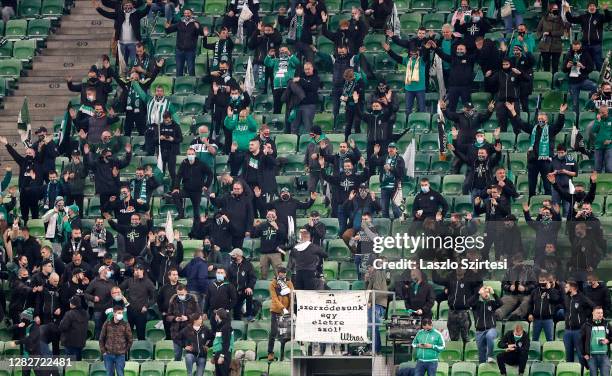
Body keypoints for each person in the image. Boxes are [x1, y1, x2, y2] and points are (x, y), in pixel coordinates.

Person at [507, 101, 567, 197]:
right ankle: (531, 203)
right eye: (539, 119)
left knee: (547, 185)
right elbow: (521, 124)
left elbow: (559, 125)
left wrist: (561, 113)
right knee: (532, 185)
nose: (540, 120)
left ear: (546, 120)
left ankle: (548, 204)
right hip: (533, 161)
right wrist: (513, 111)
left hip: (546, 161)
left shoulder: (551, 130)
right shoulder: (533, 129)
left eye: (542, 119)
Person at [94, 0, 151, 65]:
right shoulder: (118, 14)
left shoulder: (136, 13)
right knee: (121, 64)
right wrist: (98, 8)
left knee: (135, 63)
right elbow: (107, 14)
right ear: (123, 6)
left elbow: (144, 12)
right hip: (121, 44)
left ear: (133, 6)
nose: (128, 7)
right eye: (126, 6)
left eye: (129, 5)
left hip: (134, 44)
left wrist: (149, 5)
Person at [565, 2, 611, 71]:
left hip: (596, 45)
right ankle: (587, 78)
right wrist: (567, 11)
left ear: (596, 8)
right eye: (590, 6)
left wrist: (606, 10)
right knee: (586, 63)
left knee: (598, 63)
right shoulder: (583, 17)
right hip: (585, 45)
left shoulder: (600, 16)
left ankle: (600, 80)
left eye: (593, 6)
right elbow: (571, 19)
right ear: (587, 8)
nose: (592, 7)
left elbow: (609, 18)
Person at [382, 43, 427, 113]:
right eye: (411, 54)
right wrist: (389, 50)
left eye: (415, 54)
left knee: (422, 109)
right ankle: (407, 122)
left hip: (420, 89)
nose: (413, 55)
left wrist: (426, 49)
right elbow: (396, 58)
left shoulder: (422, 61)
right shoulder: (407, 60)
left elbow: (427, 55)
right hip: (409, 89)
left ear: (418, 53)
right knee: (408, 110)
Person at [171, 147, 213, 220]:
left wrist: (206, 185)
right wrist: (176, 187)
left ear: (195, 154)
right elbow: (179, 176)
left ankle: (197, 227)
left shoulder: (201, 164)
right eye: (189, 154)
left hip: (197, 191)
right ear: (186, 155)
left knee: (196, 213)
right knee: (175, 194)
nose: (190, 155)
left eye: (192, 154)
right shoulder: (184, 163)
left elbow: (210, 174)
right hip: (186, 190)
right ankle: (181, 213)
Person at [119, 263, 156, 340]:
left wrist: (147, 306)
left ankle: (141, 350)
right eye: (135, 270)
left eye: (139, 270)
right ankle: (127, 351)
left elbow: (154, 297)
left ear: (142, 271)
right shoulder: (129, 281)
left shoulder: (148, 282)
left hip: (141, 312)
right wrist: (122, 298)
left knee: (141, 335)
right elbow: (118, 289)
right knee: (127, 335)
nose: (137, 271)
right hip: (130, 311)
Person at [496, 253, 536, 320]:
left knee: (527, 301)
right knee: (506, 301)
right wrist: (509, 287)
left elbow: (534, 285)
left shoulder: (529, 271)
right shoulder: (509, 271)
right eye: (517, 261)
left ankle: (515, 316)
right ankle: (498, 315)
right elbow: (503, 284)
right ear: (513, 262)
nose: (519, 263)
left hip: (525, 294)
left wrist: (525, 288)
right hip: (512, 294)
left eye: (520, 261)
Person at [564, 280, 596, 362]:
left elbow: (593, 306)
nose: (565, 288)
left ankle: (582, 371)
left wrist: (588, 317)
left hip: (578, 331)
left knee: (581, 354)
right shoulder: (567, 297)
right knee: (568, 355)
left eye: (566, 287)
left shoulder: (581, 297)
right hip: (567, 331)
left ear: (572, 288)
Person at [469, 285, 502, 363]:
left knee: (489, 336)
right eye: (484, 292)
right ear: (481, 293)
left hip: (491, 329)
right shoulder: (477, 304)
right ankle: (482, 368)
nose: (486, 294)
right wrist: (477, 293)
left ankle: (490, 356)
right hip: (479, 331)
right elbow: (469, 303)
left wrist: (493, 293)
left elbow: (500, 303)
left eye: (488, 292)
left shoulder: (492, 303)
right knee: (481, 353)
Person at [167, 284, 200, 361]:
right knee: (177, 355)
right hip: (176, 333)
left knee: (190, 356)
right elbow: (168, 316)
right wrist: (175, 318)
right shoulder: (173, 300)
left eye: (182, 294)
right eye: (178, 294)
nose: (180, 295)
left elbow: (198, 314)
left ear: (186, 292)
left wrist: (188, 318)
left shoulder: (193, 300)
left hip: (190, 333)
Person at [251, 209, 286, 280]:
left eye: (272, 215)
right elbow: (253, 235)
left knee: (279, 275)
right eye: (268, 215)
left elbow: (283, 237)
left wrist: (276, 228)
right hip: (264, 253)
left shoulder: (280, 224)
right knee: (263, 275)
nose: (270, 216)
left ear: (275, 217)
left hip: (275, 253)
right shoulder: (262, 225)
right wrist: (254, 227)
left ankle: (281, 289)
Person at [164, 8, 201, 76]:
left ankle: (192, 84)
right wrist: (166, 27)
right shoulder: (180, 23)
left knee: (191, 69)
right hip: (179, 51)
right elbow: (169, 30)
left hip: (190, 51)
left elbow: (201, 33)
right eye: (185, 13)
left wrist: (198, 28)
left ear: (191, 14)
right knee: (179, 70)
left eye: (188, 13)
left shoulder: (196, 23)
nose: (186, 15)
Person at [267, 266, 293, 361]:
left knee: (284, 333)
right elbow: (274, 298)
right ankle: (270, 352)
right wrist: (282, 308)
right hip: (276, 310)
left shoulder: (289, 283)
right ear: (278, 273)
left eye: (284, 273)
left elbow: (292, 296)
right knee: (273, 332)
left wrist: (289, 310)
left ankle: (283, 354)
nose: (282, 274)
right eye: (281, 273)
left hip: (286, 312)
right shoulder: (273, 283)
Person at [99, 305, 133, 376]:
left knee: (120, 374)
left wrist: (124, 351)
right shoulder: (107, 323)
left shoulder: (125, 324)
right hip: (108, 354)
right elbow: (101, 338)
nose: (121, 315)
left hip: (120, 355)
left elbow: (130, 339)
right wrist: (104, 351)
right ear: (114, 313)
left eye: (121, 313)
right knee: (109, 374)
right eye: (119, 313)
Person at [527, 273, 561, 342]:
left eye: (544, 280)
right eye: (540, 280)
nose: (542, 282)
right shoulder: (535, 291)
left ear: (548, 281)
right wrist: (530, 313)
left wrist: (549, 289)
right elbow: (530, 304)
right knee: (534, 339)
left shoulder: (553, 291)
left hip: (548, 319)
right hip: (536, 319)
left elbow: (555, 300)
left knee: (550, 340)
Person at [203, 267, 236, 333]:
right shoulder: (211, 285)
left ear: (225, 275)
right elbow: (207, 299)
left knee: (225, 333)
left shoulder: (229, 285)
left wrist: (227, 309)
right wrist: (205, 312)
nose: (219, 274)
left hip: (224, 314)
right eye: (218, 273)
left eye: (221, 273)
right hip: (213, 313)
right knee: (214, 332)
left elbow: (234, 299)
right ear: (215, 274)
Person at [581, 306, 612, 376]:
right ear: (593, 313)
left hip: (604, 356)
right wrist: (584, 354)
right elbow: (581, 341)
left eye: (601, 313)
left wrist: (608, 340)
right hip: (591, 356)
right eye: (598, 313)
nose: (600, 315)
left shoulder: (606, 324)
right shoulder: (586, 325)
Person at [227, 249, 256, 321]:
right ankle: (237, 321)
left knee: (249, 293)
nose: (231, 257)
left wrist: (249, 287)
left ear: (239, 256)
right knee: (236, 312)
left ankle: (250, 315)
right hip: (235, 291)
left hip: (245, 289)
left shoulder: (248, 265)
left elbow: (253, 278)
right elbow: (229, 279)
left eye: (233, 255)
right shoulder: (231, 266)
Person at [536, 3, 565, 74]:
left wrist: (551, 33)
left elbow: (561, 32)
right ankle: (547, 81)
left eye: (557, 9)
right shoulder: (544, 18)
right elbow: (538, 30)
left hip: (556, 45)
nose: (555, 10)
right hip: (545, 45)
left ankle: (554, 82)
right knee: (546, 66)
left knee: (555, 66)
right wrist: (541, 36)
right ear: (550, 10)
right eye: (554, 9)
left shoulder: (560, 19)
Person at [58, 295, 88, 361]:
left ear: (73, 304)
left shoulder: (69, 314)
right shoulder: (85, 313)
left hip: (70, 342)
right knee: (78, 362)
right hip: (81, 342)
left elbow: (62, 327)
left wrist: (61, 322)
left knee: (70, 365)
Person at [211, 308, 233, 376]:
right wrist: (214, 355)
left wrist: (222, 356)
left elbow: (226, 343)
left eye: (216, 314)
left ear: (218, 315)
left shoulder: (226, 327)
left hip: (224, 354)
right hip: (218, 353)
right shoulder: (221, 326)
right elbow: (217, 341)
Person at [592, 105, 612, 173]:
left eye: (604, 112)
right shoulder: (598, 120)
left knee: (609, 168)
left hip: (609, 147)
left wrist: (610, 140)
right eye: (601, 112)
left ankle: (608, 183)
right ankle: (596, 183)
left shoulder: (611, 120)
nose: (602, 114)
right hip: (598, 146)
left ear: (607, 111)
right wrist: (598, 121)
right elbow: (594, 130)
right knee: (597, 168)